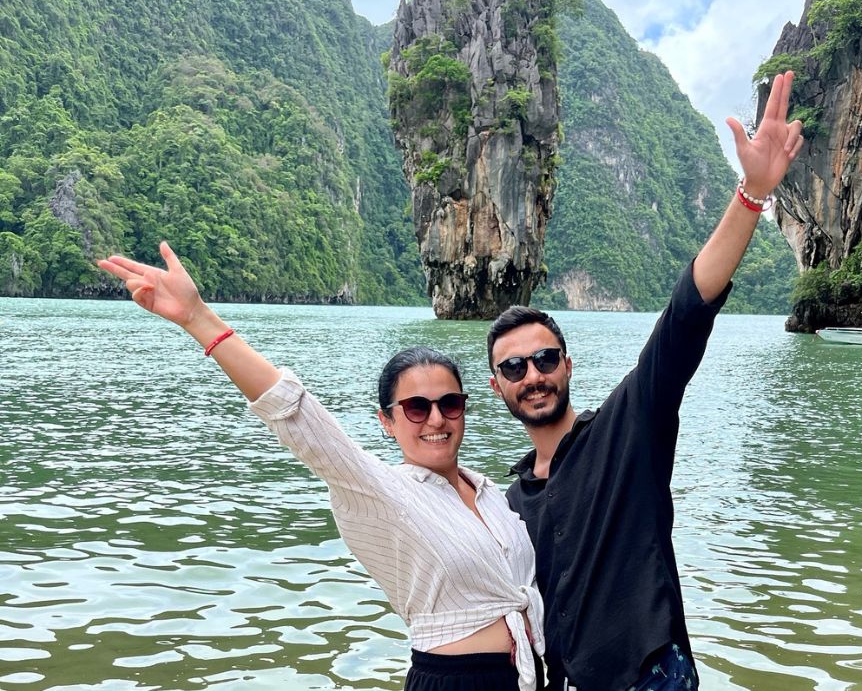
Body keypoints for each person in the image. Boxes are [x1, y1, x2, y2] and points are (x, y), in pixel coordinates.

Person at [96, 245, 545, 691]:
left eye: (449, 404)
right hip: (456, 682)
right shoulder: (383, 491)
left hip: (533, 674)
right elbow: (295, 414)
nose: (435, 419)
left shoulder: (490, 494)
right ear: (386, 421)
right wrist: (198, 319)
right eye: (414, 408)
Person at [485, 71, 805, 691]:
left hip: (649, 675)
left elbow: (686, 316)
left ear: (568, 365)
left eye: (546, 359)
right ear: (498, 386)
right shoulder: (507, 506)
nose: (533, 376)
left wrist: (752, 194)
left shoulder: (629, 428)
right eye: (514, 367)